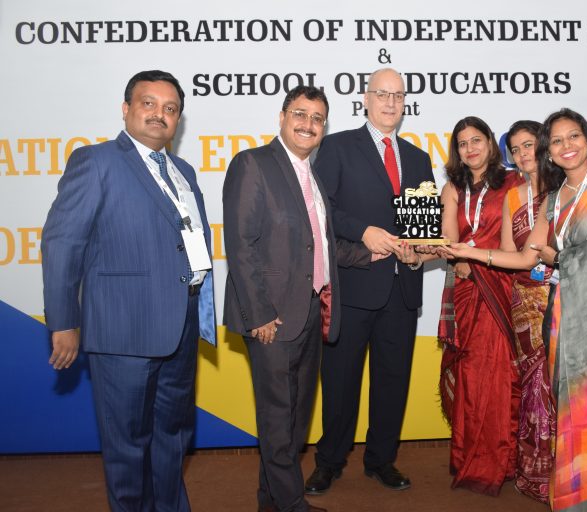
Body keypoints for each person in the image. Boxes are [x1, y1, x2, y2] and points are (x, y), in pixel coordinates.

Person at [447, 108, 587, 512]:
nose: (566, 146)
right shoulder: (555, 200)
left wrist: (559, 258)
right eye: (556, 141)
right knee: (573, 412)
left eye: (573, 137)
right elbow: (526, 258)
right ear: (550, 151)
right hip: (564, 320)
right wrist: (467, 252)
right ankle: (580, 497)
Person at [41, 70, 216, 511]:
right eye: (148, 103)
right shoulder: (96, 161)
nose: (160, 114)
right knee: (128, 448)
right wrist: (64, 322)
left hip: (181, 326)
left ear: (178, 120)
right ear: (126, 109)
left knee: (173, 438)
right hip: (124, 331)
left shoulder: (183, 171)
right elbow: (62, 243)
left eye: (170, 108)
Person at [223, 85, 375, 512]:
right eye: (300, 114)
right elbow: (241, 245)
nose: (308, 124)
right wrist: (259, 314)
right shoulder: (252, 164)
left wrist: (375, 253)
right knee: (277, 418)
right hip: (271, 317)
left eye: (317, 118)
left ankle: (271, 501)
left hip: (311, 311)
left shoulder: (312, 175)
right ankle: (291, 505)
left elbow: (322, 246)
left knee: (293, 419)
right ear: (282, 117)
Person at [305, 68, 433, 495]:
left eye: (398, 95)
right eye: (382, 94)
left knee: (393, 382)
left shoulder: (418, 158)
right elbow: (323, 209)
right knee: (340, 382)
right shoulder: (337, 146)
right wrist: (363, 231)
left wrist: (418, 251)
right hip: (354, 286)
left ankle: (382, 460)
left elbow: (423, 228)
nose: (391, 102)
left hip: (402, 290)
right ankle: (329, 461)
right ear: (365, 98)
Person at [435, 116, 522, 495]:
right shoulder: (452, 187)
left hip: (500, 284)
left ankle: (501, 460)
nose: (470, 149)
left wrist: (476, 260)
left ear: (490, 143)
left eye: (476, 140)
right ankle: (468, 454)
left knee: (500, 374)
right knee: (471, 374)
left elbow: (513, 244)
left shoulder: (513, 183)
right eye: (462, 143)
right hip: (466, 289)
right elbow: (447, 240)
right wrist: (417, 251)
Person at [501, 120, 557, 502]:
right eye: (516, 149)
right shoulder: (512, 197)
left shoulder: (565, 190)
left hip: (563, 295)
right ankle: (536, 472)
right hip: (524, 300)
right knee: (534, 384)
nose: (523, 154)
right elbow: (511, 254)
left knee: (560, 381)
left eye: (529, 145)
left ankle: (569, 469)